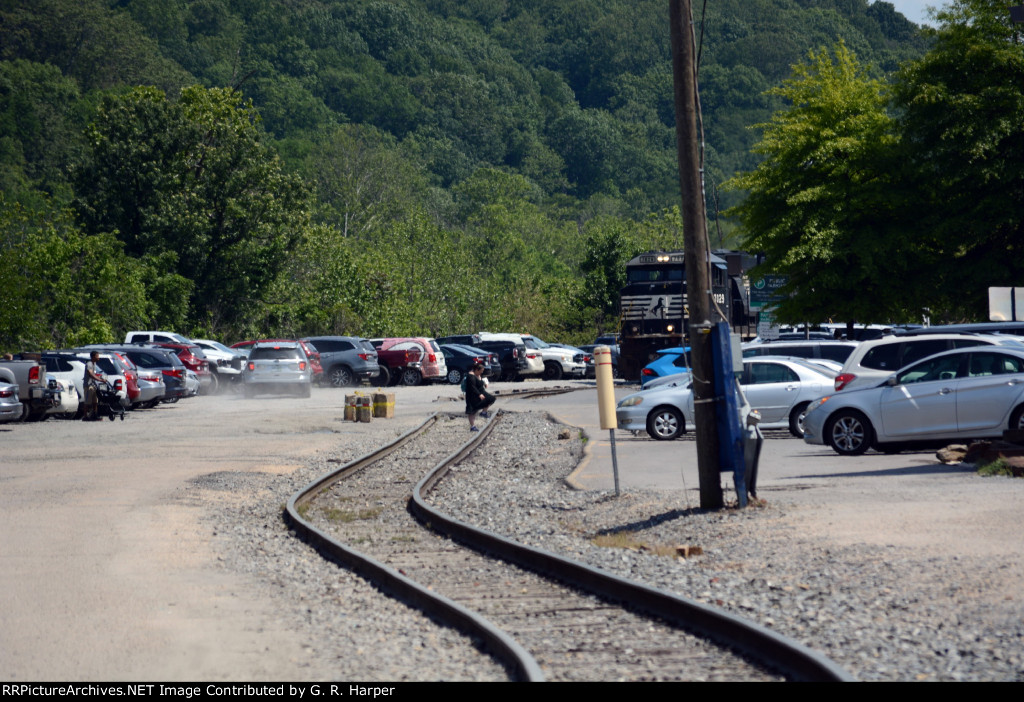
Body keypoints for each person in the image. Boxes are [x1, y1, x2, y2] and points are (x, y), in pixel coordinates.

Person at [464, 363, 495, 431]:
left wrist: (484, 383)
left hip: (479, 394)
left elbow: (479, 382)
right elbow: (472, 387)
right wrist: (479, 394)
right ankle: (472, 426)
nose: (482, 372)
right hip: (472, 396)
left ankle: (483, 412)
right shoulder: (470, 376)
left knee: (490, 399)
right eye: (481, 371)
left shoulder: (477, 374)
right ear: (476, 370)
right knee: (472, 411)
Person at [83, 351, 104, 421]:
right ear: (93, 357)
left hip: (93, 385)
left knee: (95, 402)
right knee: (87, 402)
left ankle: (95, 415)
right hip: (88, 386)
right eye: (97, 356)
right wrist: (100, 380)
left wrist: (100, 378)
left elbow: (94, 374)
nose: (98, 358)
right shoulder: (89, 364)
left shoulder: (94, 363)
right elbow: (91, 374)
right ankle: (85, 416)